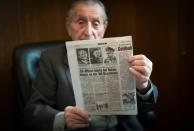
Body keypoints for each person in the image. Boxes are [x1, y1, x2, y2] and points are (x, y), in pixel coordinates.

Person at [23, 0, 158, 131]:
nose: (88, 31)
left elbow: (147, 107)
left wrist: (143, 85)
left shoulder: (120, 55)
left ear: (104, 28)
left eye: (96, 23)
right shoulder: (51, 59)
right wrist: (63, 119)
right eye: (81, 22)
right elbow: (33, 111)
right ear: (69, 27)